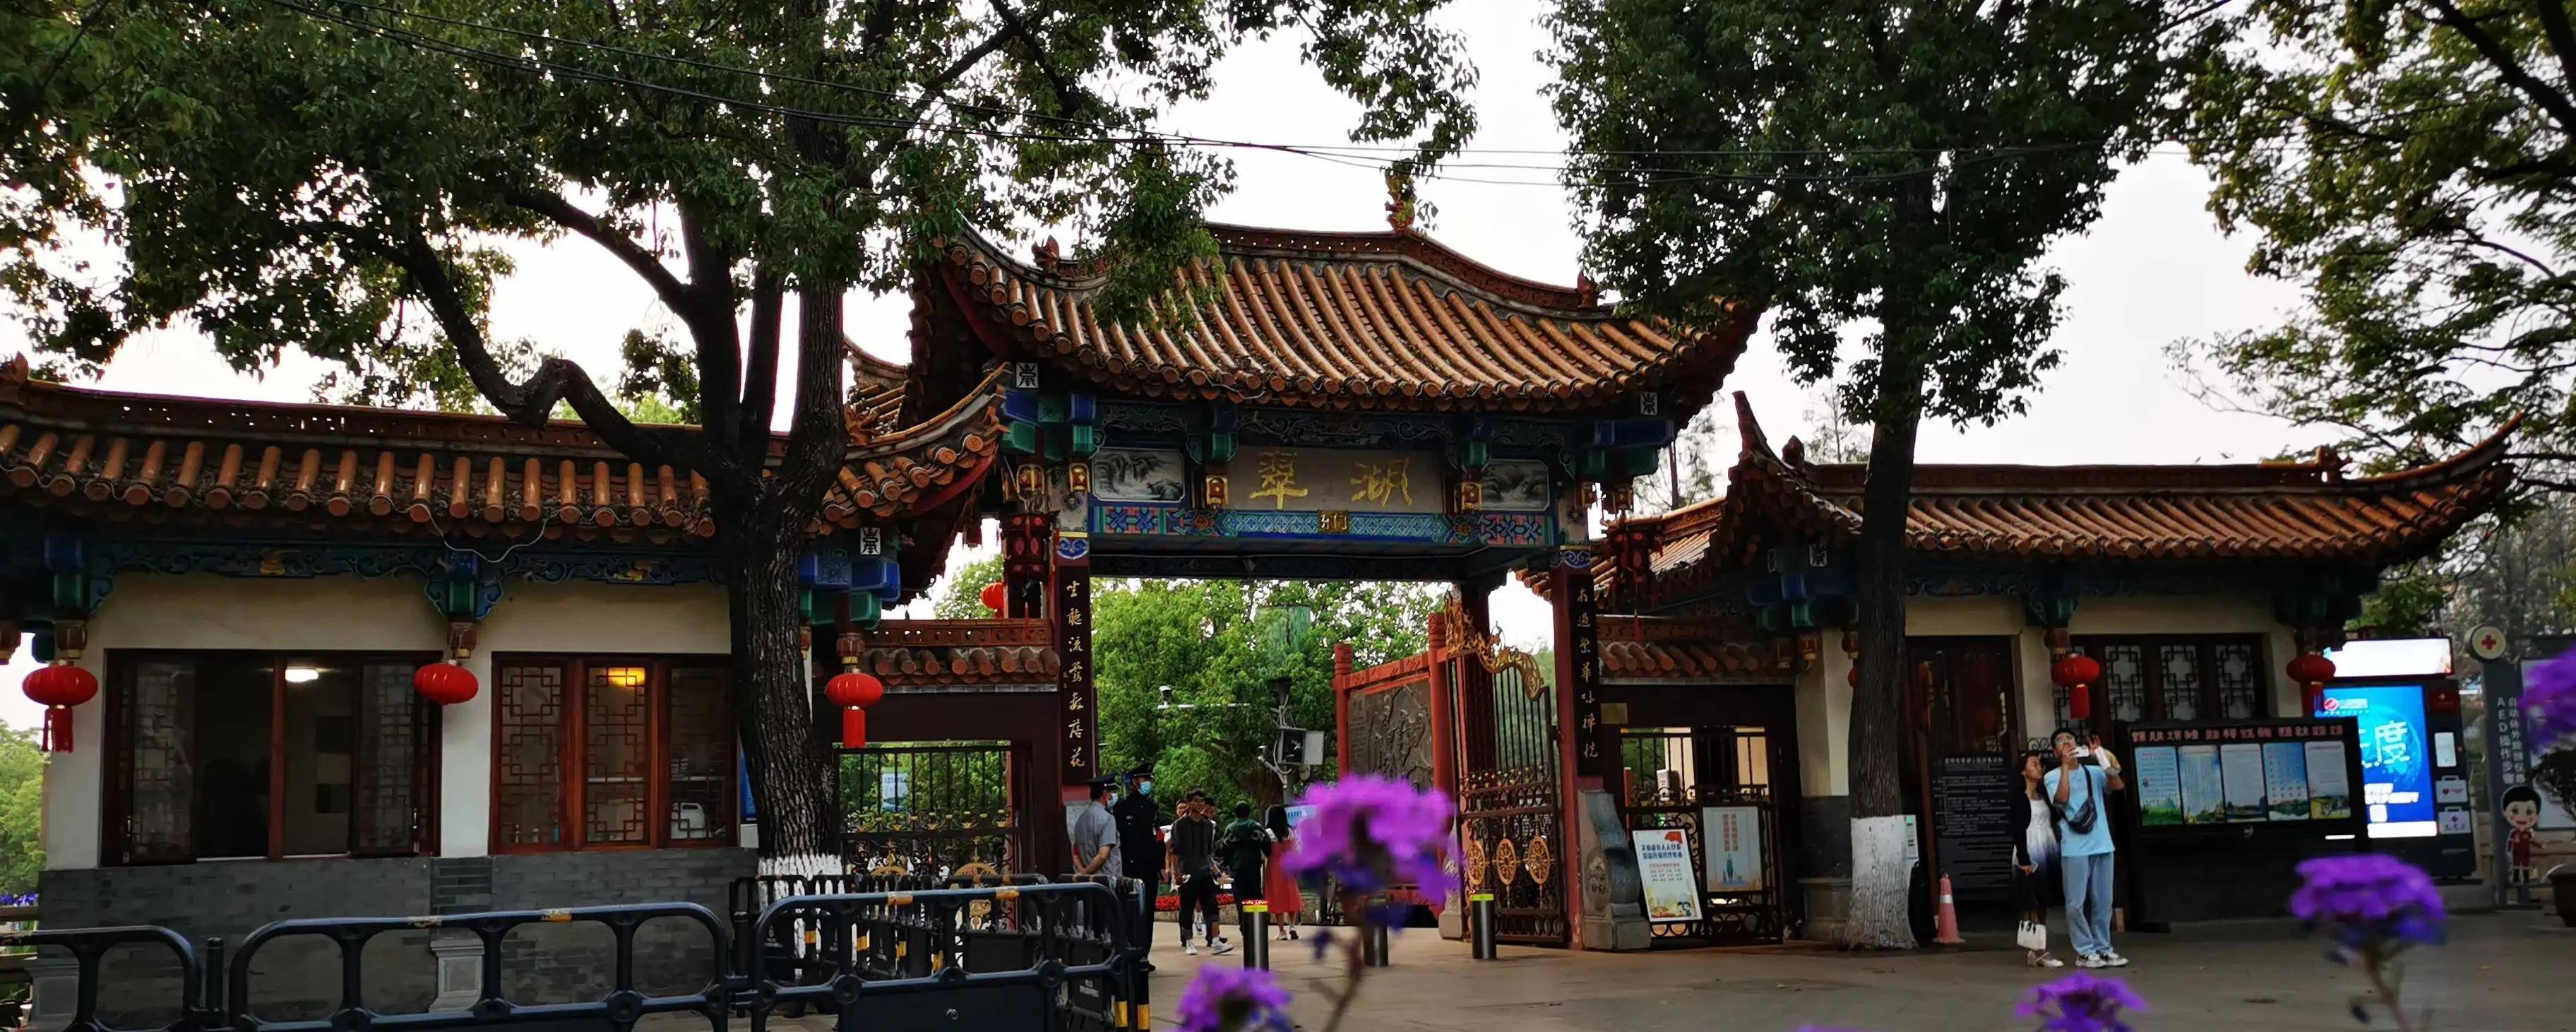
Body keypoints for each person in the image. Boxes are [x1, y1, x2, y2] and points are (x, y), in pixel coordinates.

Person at [2045, 729, 2127, 968]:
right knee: (2075, 903)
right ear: (2055, 751)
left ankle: (2103, 948)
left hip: (2102, 844)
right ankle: (2084, 951)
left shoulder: (2094, 771)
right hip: (2075, 848)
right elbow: (2061, 799)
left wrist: (2100, 756)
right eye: (2061, 741)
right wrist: (2064, 766)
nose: (2068, 743)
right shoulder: (2051, 776)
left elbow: (2118, 785)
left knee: (2104, 901)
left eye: (2070, 739)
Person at [2011, 749, 2064, 968]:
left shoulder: (2044, 795)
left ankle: (2038, 949)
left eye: (2040, 764)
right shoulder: (2019, 797)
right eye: (2034, 764)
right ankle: (2037, 950)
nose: (2039, 767)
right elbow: (2017, 829)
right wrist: (2023, 859)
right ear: (2023, 771)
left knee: (2043, 899)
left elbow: (2058, 815)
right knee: (2031, 900)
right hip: (2031, 848)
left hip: (2048, 846)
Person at [1166, 791, 1233, 956]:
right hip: (1188, 872)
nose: (1200, 804)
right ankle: (1189, 942)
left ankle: (1216, 941)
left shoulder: (1208, 825)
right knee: (1187, 908)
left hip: (1205, 872)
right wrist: (1176, 875)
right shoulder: (1179, 825)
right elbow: (1175, 853)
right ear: (1189, 803)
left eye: (1202, 801)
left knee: (1212, 907)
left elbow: (1208, 854)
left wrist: (1217, 873)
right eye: (1196, 801)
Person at [1111, 767, 1165, 951]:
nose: (1148, 782)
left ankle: (1144, 954)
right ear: (1134, 782)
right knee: (1131, 913)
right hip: (1130, 869)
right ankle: (1131, 952)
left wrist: (1161, 866)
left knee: (1147, 913)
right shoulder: (1122, 808)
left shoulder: (1152, 807)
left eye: (1149, 778)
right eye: (1144, 778)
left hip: (1150, 869)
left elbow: (1158, 839)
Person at [1220, 802, 1273, 944]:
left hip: (1237, 869)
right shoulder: (1256, 826)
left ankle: (1245, 927)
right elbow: (1267, 843)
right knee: (1255, 895)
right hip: (1253, 866)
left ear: (1235, 813)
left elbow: (1225, 848)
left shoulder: (1230, 829)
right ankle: (1258, 925)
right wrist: (1266, 854)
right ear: (1249, 812)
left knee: (1241, 898)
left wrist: (1226, 862)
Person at [1261, 805, 1304, 940]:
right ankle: (1293, 926)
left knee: (1277, 897)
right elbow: (1295, 850)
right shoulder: (1290, 832)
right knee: (1291, 895)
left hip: (1274, 868)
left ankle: (1282, 931)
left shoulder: (1268, 833)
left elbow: (1264, 854)